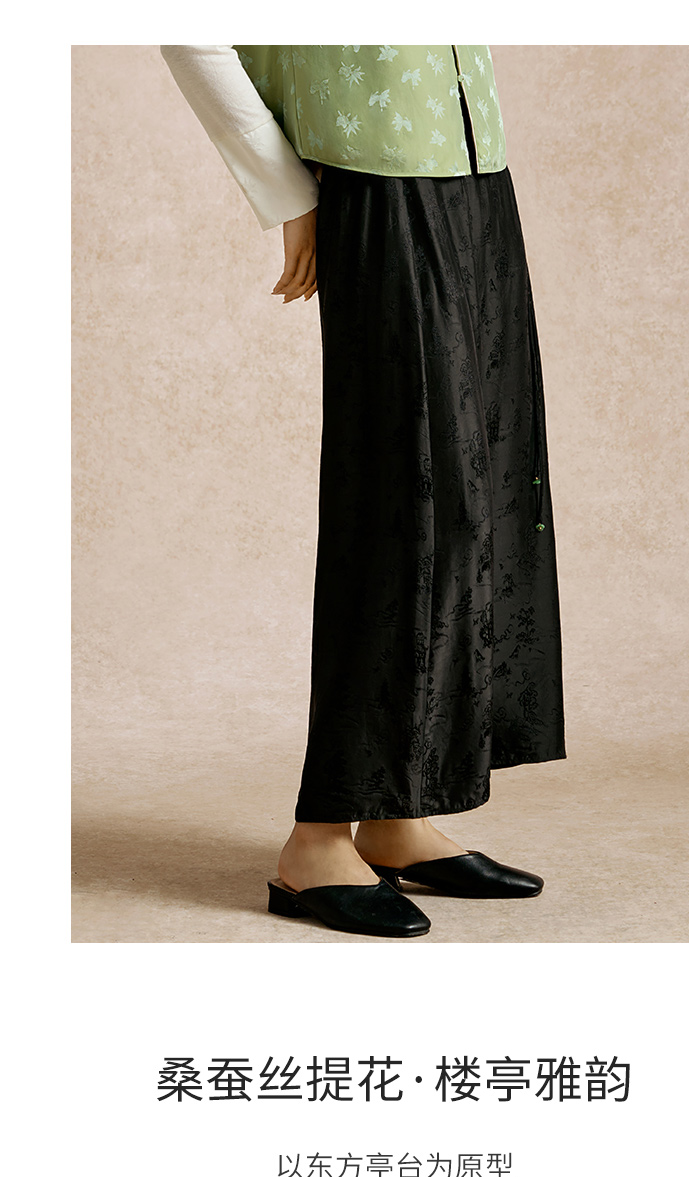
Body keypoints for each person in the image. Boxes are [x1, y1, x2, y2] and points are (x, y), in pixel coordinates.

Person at [160, 45, 566, 938]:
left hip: (475, 168)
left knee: (478, 502)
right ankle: (317, 838)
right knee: (402, 503)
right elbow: (187, 31)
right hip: (375, 177)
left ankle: (394, 812)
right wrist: (289, 192)